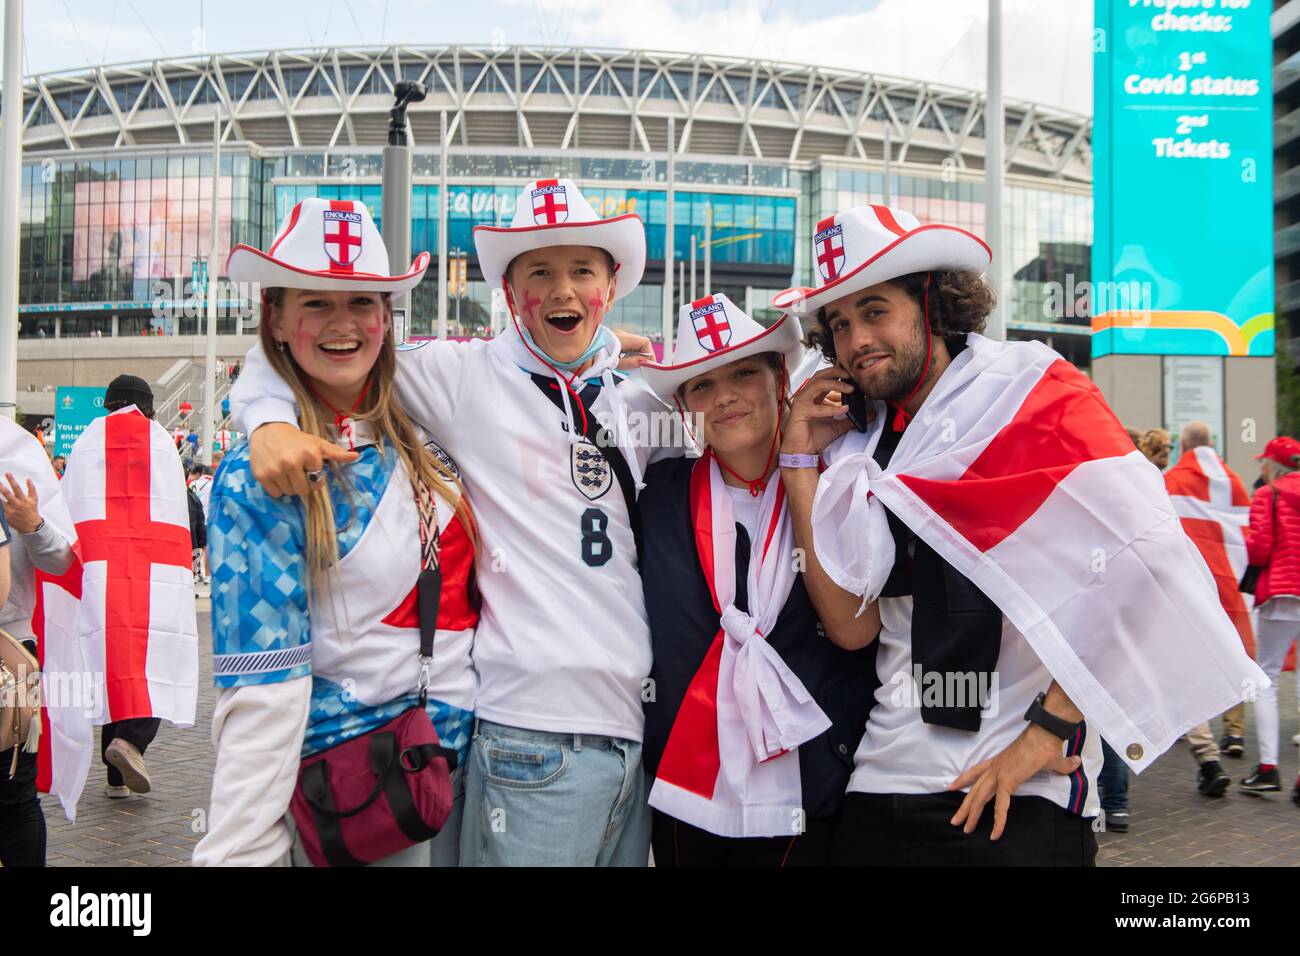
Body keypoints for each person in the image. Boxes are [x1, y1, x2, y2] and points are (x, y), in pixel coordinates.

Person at [773, 203, 1265, 865]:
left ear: (933, 303)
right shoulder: (859, 442)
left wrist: (1049, 730)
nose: (857, 339)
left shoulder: (1033, 394)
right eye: (839, 323)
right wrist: (800, 459)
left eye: (875, 310)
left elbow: (1147, 561)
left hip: (1017, 799)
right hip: (880, 786)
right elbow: (852, 626)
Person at [230, 179, 682, 866]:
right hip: (529, 737)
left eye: (581, 272)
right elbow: (325, 350)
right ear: (508, 292)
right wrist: (263, 420)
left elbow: (744, 398)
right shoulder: (462, 376)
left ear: (611, 286)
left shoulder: (641, 399)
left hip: (631, 737)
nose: (562, 291)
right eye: (540, 273)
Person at [193, 198, 479, 866]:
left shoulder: (418, 411)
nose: (343, 324)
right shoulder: (261, 478)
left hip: (467, 776)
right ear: (276, 317)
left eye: (361, 302)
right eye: (316, 304)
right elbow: (262, 693)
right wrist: (238, 853)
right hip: (369, 797)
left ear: (387, 315)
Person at [635, 294, 876, 865]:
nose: (724, 397)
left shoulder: (838, 480)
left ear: (781, 378)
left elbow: (859, 629)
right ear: (681, 404)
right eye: (701, 385)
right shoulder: (655, 498)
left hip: (813, 785)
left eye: (745, 373)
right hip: (687, 793)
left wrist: (797, 465)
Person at [0, 416, 76, 866]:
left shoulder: (15, 448)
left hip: (13, 655)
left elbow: (63, 556)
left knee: (13, 794)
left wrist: (32, 524)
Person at [1163, 421, 1251, 799]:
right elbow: (1245, 533)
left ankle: (1207, 755)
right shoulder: (1234, 482)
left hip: (1187, 587)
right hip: (1226, 583)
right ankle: (1234, 731)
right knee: (1231, 653)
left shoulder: (1171, 481)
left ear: (1184, 447)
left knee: (1184, 666)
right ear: (1211, 444)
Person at [1242, 436, 1300, 805]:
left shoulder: (1268, 494)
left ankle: (1268, 768)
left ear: (1274, 466)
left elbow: (1260, 548)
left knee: (1267, 678)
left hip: (1282, 594)